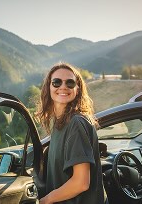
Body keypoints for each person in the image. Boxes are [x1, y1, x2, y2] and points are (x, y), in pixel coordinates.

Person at [36, 62, 105, 204]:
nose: (63, 87)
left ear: (77, 89)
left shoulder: (76, 123)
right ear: (48, 87)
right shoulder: (59, 123)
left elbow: (81, 183)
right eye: (56, 82)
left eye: (70, 83)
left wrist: (45, 201)